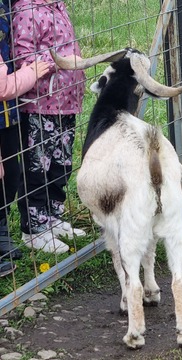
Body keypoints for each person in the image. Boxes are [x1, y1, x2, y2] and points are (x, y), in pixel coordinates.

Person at [12, 0, 86, 254]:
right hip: (40, 104)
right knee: (37, 167)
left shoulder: (57, 6)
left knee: (60, 164)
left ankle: (53, 216)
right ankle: (33, 227)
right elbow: (23, 57)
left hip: (66, 102)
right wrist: (61, 60)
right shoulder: (26, 11)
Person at [0, 0, 48, 276]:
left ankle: (2, 228)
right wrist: (32, 71)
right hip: (8, 94)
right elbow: (3, 87)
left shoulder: (12, 4)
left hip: (9, 115)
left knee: (12, 174)